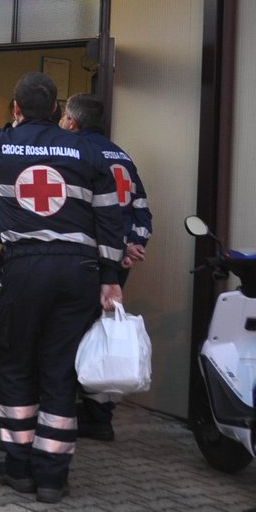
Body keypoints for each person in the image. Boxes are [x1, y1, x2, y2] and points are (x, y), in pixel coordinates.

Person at [0, 73, 128, 504]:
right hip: (79, 270)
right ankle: (52, 474)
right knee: (60, 368)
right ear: (57, 110)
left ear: (15, 108)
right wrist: (110, 278)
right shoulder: (87, 150)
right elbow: (111, 220)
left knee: (17, 363)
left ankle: (18, 466)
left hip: (25, 268)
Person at [61, 92, 152, 442]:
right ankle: (100, 414)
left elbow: (85, 212)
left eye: (64, 119)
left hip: (90, 260)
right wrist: (132, 247)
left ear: (72, 121)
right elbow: (142, 209)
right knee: (102, 332)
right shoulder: (123, 156)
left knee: (75, 333)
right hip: (118, 260)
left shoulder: (78, 153)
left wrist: (111, 252)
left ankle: (68, 412)